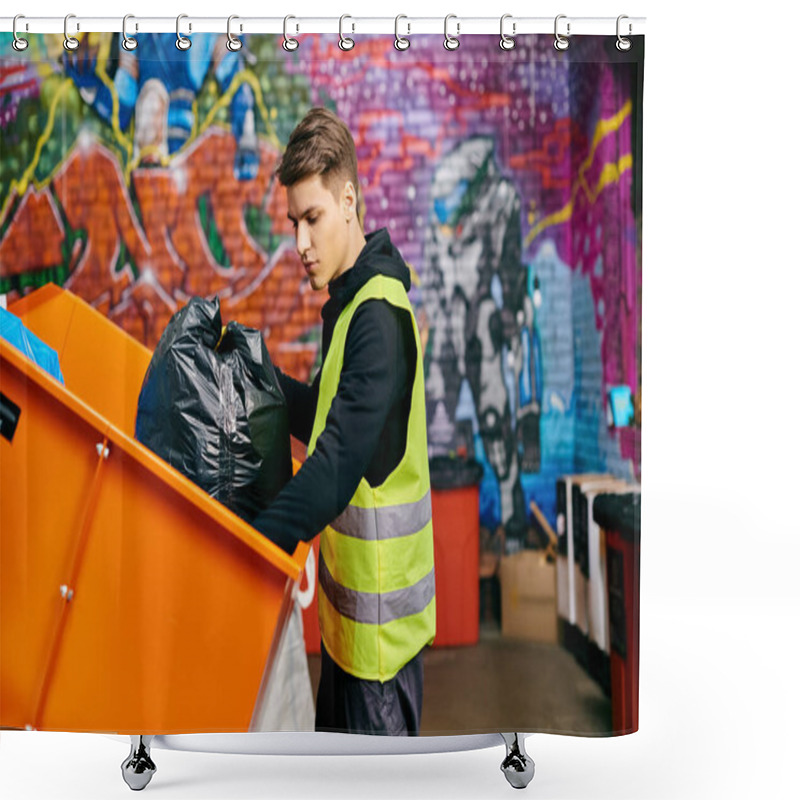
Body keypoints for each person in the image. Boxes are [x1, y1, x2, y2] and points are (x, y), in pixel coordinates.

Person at [250, 107, 436, 736]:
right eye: (292, 223)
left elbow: (332, 469)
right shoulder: (352, 302)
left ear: (348, 200)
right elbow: (332, 419)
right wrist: (261, 378)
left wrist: (246, 547)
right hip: (348, 636)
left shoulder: (378, 319)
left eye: (312, 219)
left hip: (377, 662)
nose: (299, 244)